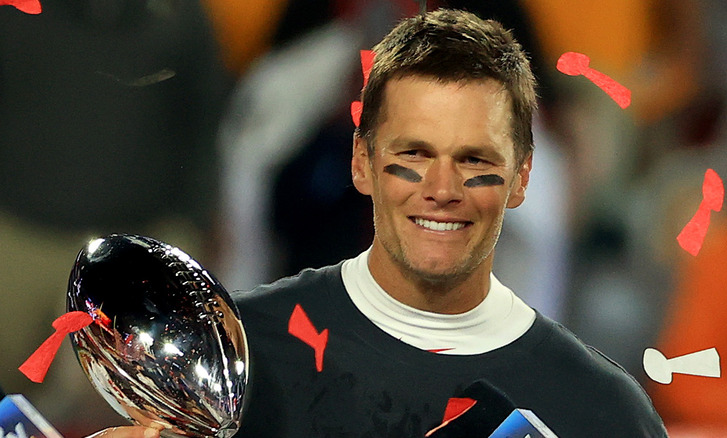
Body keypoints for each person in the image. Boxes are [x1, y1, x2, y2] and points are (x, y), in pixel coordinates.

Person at [91, 9, 667, 437]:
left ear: (521, 178)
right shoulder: (239, 364)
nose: (442, 190)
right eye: (412, 156)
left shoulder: (603, 410)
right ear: (361, 163)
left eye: (474, 160)